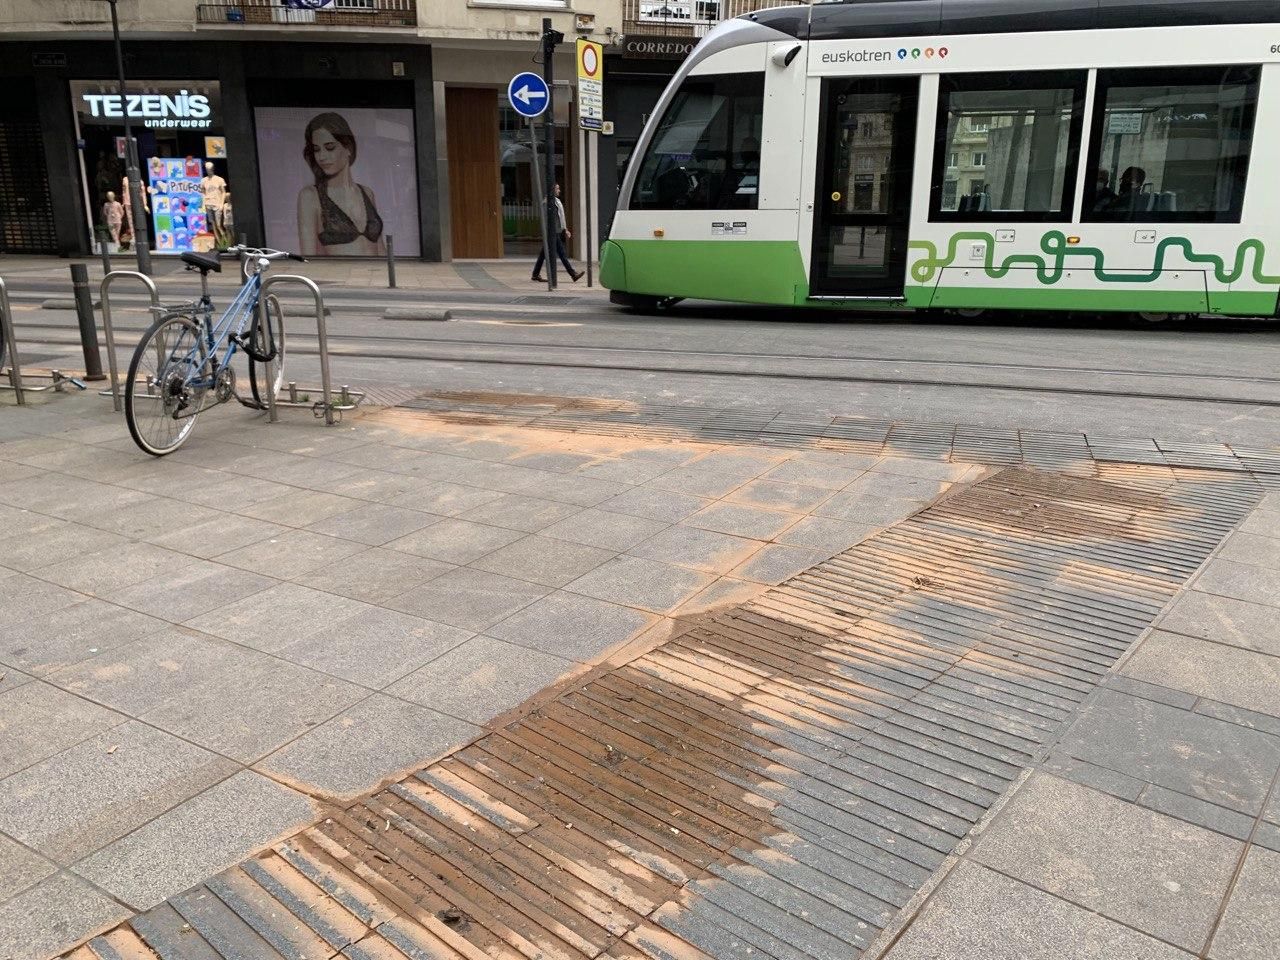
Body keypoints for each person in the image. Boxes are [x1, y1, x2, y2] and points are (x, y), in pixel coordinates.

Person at [296, 112, 385, 257]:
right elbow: (308, 257)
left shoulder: (367, 193)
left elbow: (380, 249)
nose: (322, 157)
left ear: (348, 148)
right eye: (316, 150)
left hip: (376, 276)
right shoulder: (310, 197)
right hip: (343, 278)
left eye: (330, 147)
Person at [532, 183, 582, 282]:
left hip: (555, 231)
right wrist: (551, 232)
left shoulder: (556, 201)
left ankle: (535, 274)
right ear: (552, 190)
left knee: (543, 254)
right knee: (562, 253)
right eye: (557, 189)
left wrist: (565, 229)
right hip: (552, 232)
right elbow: (548, 219)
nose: (559, 190)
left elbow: (560, 217)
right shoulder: (547, 203)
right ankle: (573, 274)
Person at [199, 161, 227, 232]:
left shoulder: (219, 179)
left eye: (210, 169)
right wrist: (203, 204)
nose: (208, 171)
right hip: (208, 204)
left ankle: (225, 240)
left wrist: (221, 204)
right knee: (213, 224)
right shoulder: (203, 180)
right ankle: (218, 241)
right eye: (207, 169)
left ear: (212, 169)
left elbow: (224, 192)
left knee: (219, 225)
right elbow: (203, 192)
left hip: (217, 204)